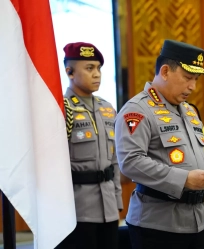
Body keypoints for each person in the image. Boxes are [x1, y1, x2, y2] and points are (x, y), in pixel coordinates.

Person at [115, 39, 204, 249]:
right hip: (156, 227)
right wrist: (184, 179)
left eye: (196, 79)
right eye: (188, 77)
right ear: (164, 71)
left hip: (194, 223)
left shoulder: (189, 111)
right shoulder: (137, 110)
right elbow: (130, 162)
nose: (193, 86)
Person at [55, 42, 123, 249]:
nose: (97, 74)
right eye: (89, 68)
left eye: (99, 68)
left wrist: (118, 201)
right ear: (70, 72)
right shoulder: (60, 108)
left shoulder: (107, 108)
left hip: (108, 208)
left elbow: (115, 161)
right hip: (77, 211)